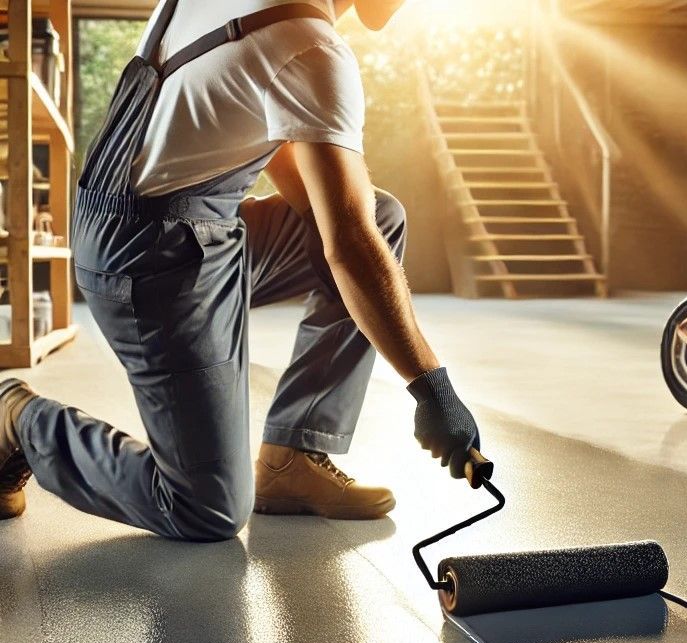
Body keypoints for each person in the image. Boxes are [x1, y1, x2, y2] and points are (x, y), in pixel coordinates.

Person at [0, 0, 482, 538]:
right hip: (149, 259)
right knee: (207, 507)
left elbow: (286, 162)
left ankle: (293, 457)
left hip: (156, 227)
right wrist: (432, 390)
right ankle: (19, 420)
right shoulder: (312, 48)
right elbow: (349, 247)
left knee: (378, 217)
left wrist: (346, 237)